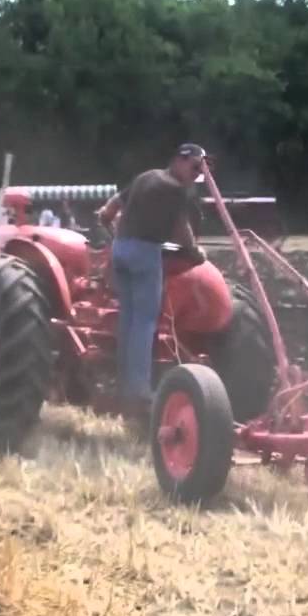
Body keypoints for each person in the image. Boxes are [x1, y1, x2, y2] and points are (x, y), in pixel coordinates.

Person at [97, 143, 207, 419]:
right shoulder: (175, 189)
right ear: (180, 161)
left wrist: (116, 238)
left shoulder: (144, 177)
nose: (195, 176)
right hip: (145, 254)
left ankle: (124, 387)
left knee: (128, 320)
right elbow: (182, 229)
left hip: (120, 250)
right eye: (195, 168)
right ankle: (140, 392)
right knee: (145, 323)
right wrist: (195, 252)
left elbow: (106, 212)